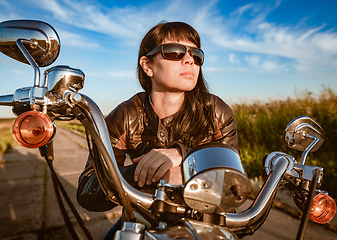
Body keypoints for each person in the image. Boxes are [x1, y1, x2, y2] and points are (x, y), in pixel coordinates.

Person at [77, 21, 238, 239]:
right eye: (174, 52)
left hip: (204, 222)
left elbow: (233, 186)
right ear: (147, 65)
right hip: (144, 218)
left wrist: (184, 156)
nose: (189, 60)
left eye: (196, 55)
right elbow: (89, 189)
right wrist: (145, 173)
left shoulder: (217, 112)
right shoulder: (124, 115)